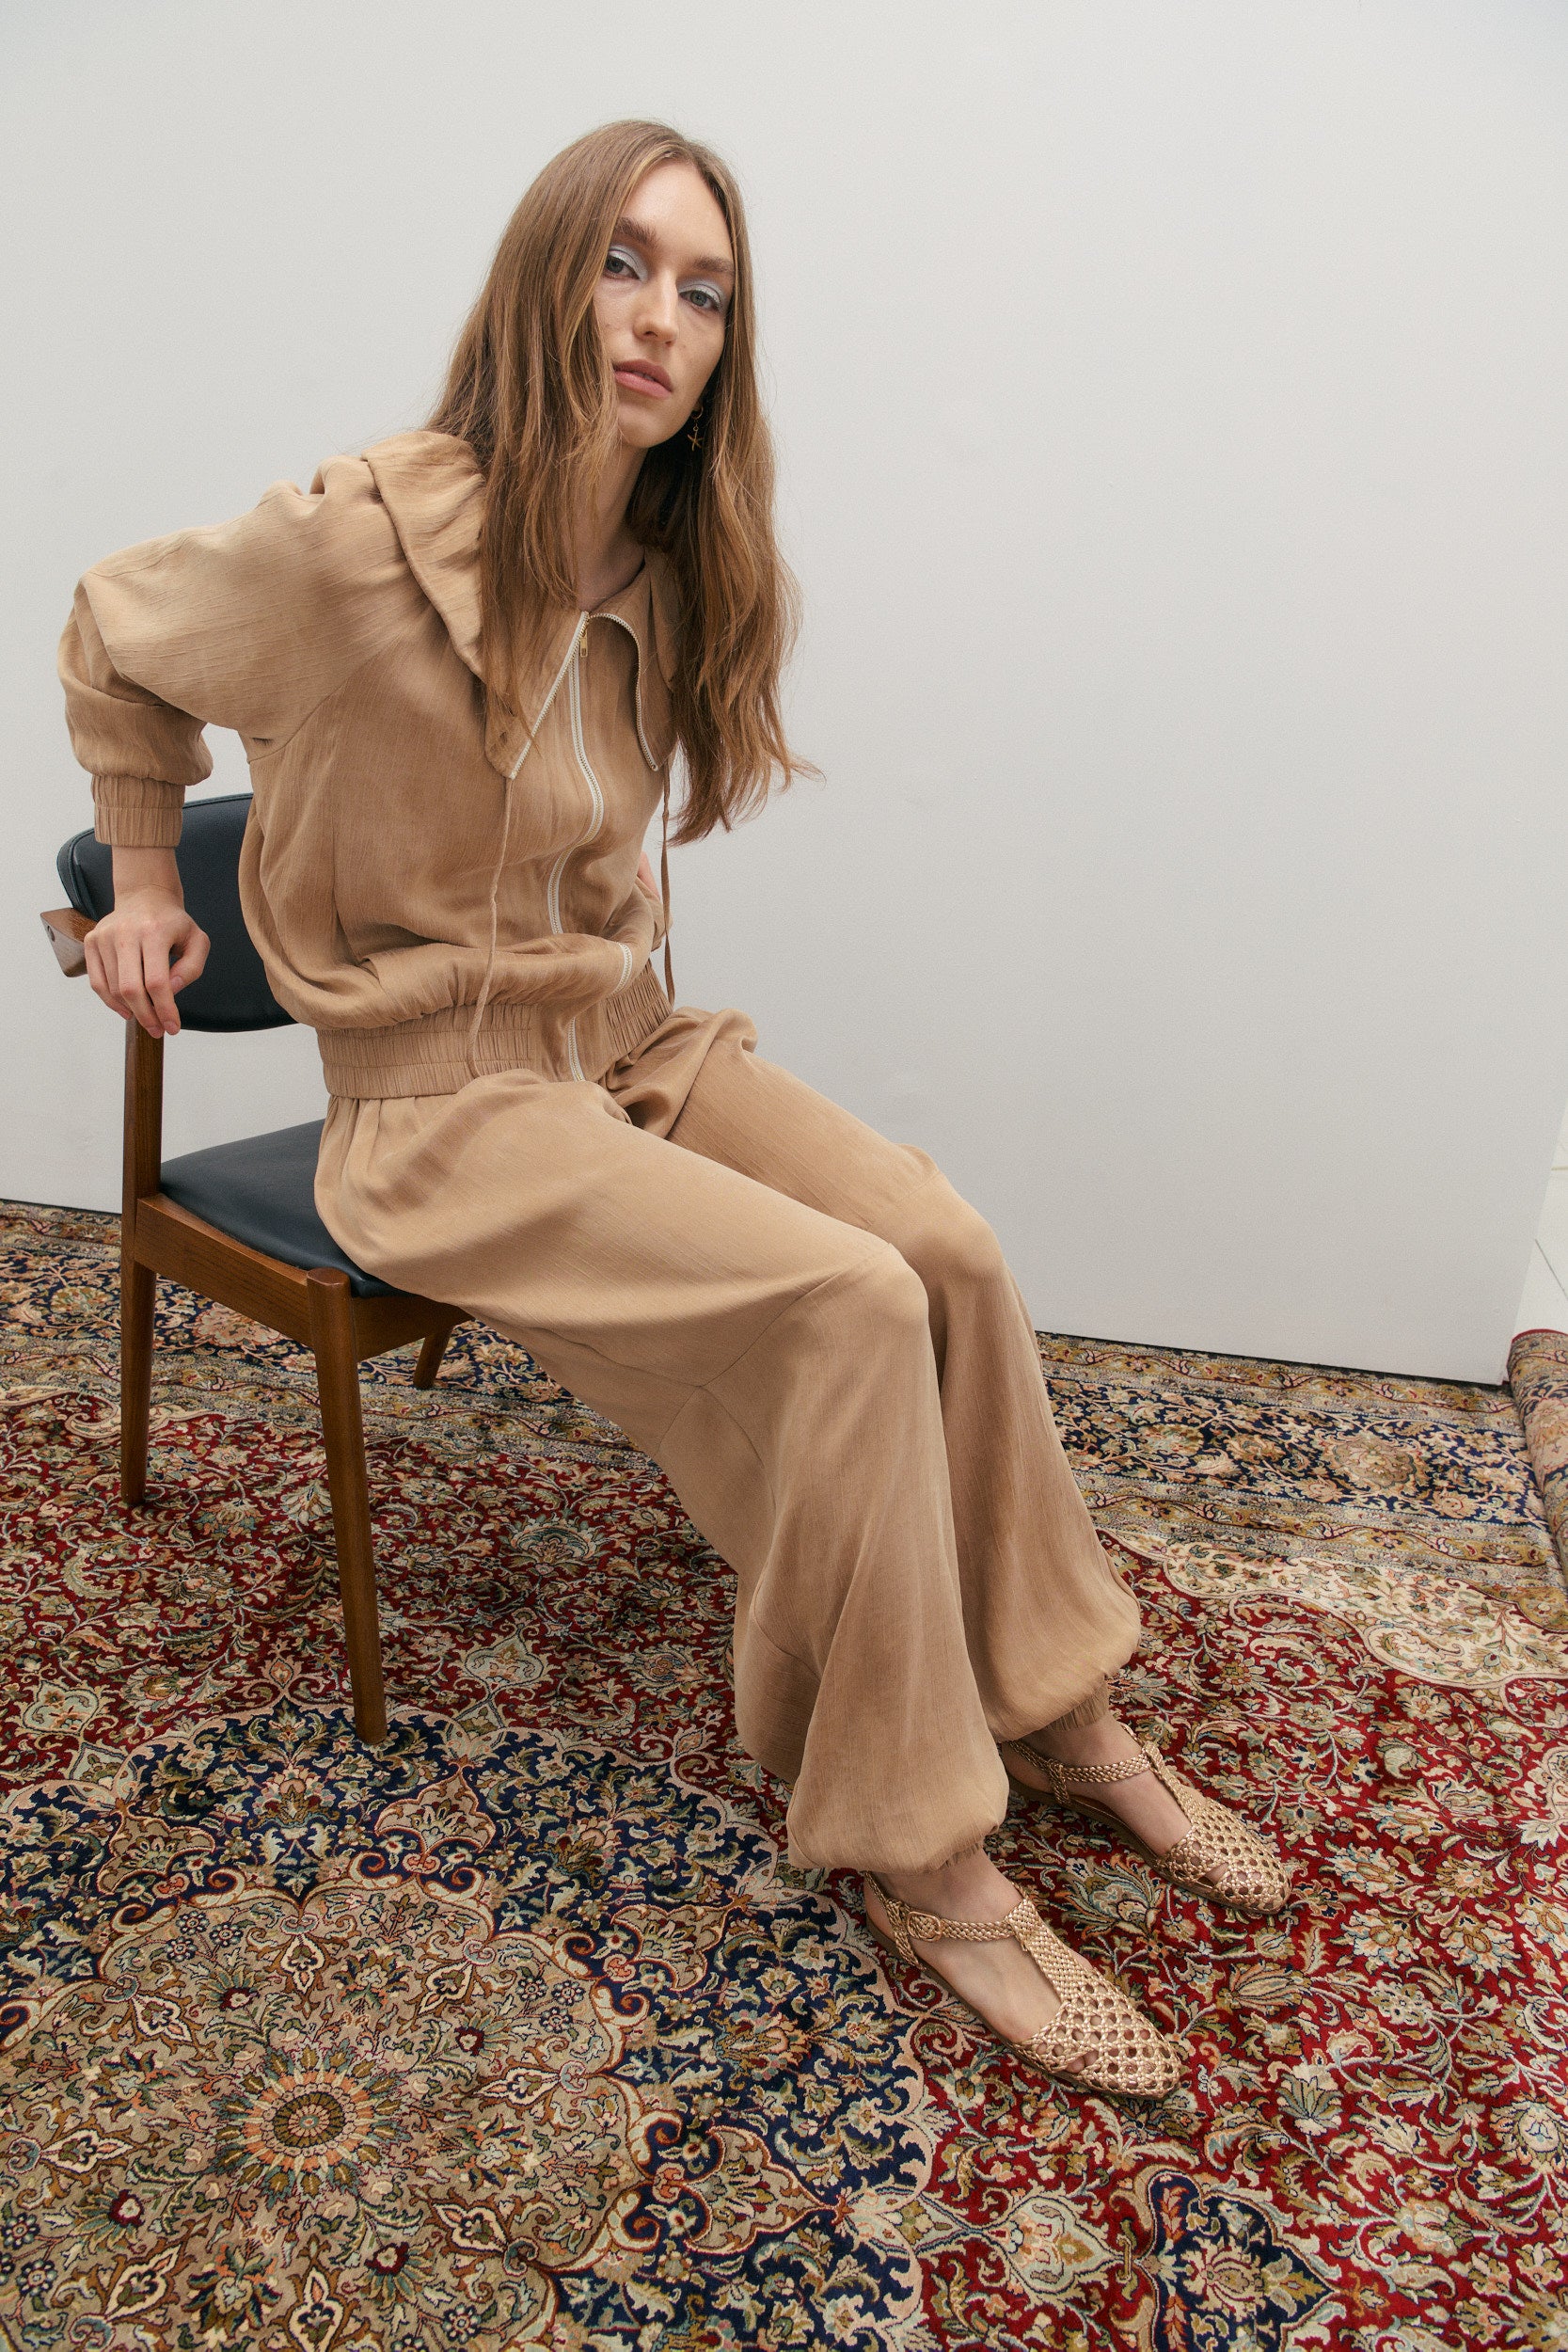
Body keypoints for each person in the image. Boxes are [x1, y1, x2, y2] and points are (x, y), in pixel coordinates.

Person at [59, 119, 1288, 2101]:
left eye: (705, 290)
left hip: (616, 1033)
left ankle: (1056, 1697)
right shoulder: (355, 537)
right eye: (626, 264)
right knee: (847, 1307)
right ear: (548, 275)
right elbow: (117, 633)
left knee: (945, 1246)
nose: (661, 318)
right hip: (441, 1100)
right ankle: (927, 1852)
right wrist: (133, 879)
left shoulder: (674, 557)